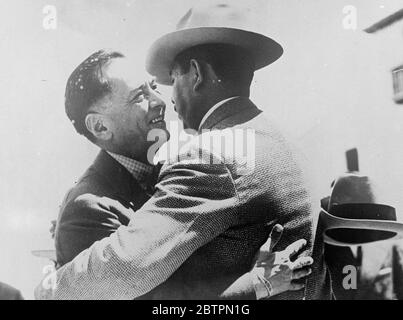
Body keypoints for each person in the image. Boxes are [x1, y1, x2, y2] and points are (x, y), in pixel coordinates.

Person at [36, 3, 329, 300]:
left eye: (170, 80)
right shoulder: (287, 143)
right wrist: (254, 284)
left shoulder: (211, 157)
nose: (164, 100)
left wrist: (48, 291)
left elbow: (122, 270)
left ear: (197, 74)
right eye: (141, 94)